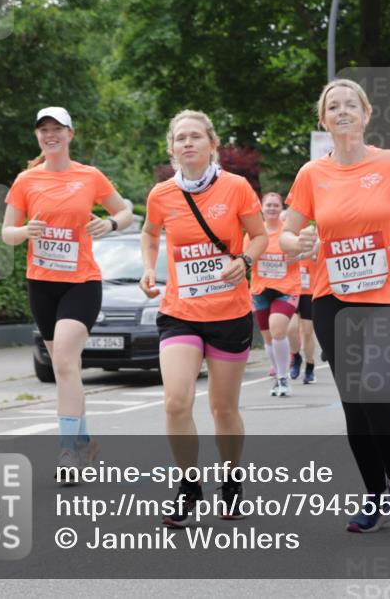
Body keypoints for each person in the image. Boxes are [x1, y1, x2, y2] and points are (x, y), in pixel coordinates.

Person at [280, 79, 390, 533]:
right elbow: (289, 235)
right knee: (354, 402)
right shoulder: (311, 174)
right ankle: (374, 494)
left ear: (367, 114)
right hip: (333, 298)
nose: (343, 111)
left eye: (351, 104)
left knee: (377, 389)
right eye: (334, 106)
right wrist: (300, 241)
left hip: (387, 295)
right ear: (323, 119)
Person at [140, 109, 267, 526]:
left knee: (223, 408)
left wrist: (245, 259)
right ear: (172, 148)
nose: (187, 143)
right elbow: (149, 232)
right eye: (180, 138)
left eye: (196, 136)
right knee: (176, 401)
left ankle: (231, 482)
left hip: (229, 311)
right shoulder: (161, 194)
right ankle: (188, 484)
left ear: (212, 144)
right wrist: (147, 267)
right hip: (180, 311)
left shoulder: (236, 187)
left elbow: (260, 234)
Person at [2, 108, 133, 475]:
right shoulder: (26, 180)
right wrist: (25, 231)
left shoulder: (89, 176)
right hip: (41, 284)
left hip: (82, 282)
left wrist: (109, 223)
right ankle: (85, 440)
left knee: (62, 361)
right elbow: (6, 232)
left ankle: (67, 451)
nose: (50, 135)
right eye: (43, 129)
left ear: (70, 133)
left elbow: (125, 212)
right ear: (38, 137)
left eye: (56, 128)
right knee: (67, 369)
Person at [245, 193, 301, 397]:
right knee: (268, 338)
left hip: (286, 288)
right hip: (261, 289)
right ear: (261, 207)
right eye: (268, 205)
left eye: (276, 205)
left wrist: (296, 255)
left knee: (278, 329)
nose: (272, 208)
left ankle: (283, 378)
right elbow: (247, 259)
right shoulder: (255, 233)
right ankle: (278, 372)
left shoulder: (288, 231)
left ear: (280, 208)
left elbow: (300, 253)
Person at [288, 234, 319, 384]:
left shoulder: (314, 240)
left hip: (309, 292)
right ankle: (296, 356)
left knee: (307, 333)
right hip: (291, 291)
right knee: (290, 328)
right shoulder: (287, 240)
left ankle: (310, 365)